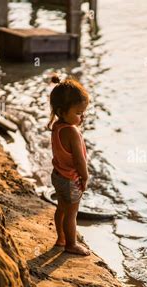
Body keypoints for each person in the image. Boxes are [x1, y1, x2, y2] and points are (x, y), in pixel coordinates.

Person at [48, 75, 90, 256]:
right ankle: (71, 244)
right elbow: (79, 161)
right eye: (79, 113)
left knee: (61, 208)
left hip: (57, 175)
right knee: (72, 214)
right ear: (62, 111)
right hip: (71, 179)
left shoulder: (57, 126)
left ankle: (61, 238)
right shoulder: (72, 132)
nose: (82, 118)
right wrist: (85, 177)